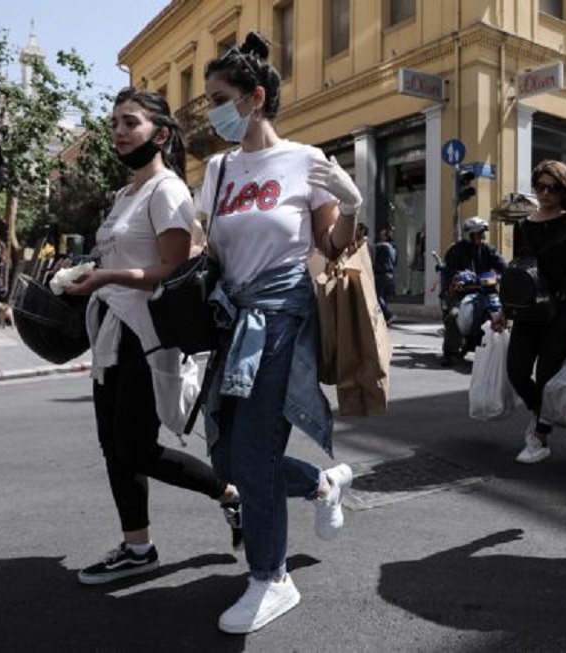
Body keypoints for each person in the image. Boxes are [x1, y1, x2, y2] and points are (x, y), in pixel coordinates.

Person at [198, 32, 360, 634]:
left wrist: (353, 203)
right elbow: (205, 249)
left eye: (219, 97)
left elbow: (333, 245)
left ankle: (272, 577)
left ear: (254, 97)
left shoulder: (303, 160)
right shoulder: (216, 170)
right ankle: (321, 484)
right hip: (230, 318)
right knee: (225, 455)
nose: (211, 109)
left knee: (252, 453)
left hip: (282, 313)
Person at [64, 87, 240, 585]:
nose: (118, 132)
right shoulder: (126, 194)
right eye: (115, 122)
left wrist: (106, 278)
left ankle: (230, 493)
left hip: (147, 336)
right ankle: (138, 547)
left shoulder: (167, 190)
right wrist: (86, 272)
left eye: (130, 123)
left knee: (136, 448)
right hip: (112, 334)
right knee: (111, 446)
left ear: (160, 134)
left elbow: (173, 267)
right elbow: (120, 257)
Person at [495, 160, 566, 464]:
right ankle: (542, 411)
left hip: (564, 311)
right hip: (529, 310)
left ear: (563, 189)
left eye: (552, 188)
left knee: (547, 376)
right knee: (516, 369)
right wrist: (505, 311)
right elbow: (518, 273)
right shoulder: (524, 225)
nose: (544, 193)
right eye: (539, 186)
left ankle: (540, 438)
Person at [441, 216, 507, 365]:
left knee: (501, 311)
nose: (481, 237)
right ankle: (449, 352)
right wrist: (456, 280)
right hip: (461, 293)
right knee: (454, 315)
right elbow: (448, 272)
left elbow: (502, 265)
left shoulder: (488, 249)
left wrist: (503, 274)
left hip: (486, 290)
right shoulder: (455, 250)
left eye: (482, 233)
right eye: (478, 234)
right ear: (468, 234)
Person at [374, 224, 397, 324]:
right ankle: (384, 316)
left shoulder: (380, 246)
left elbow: (374, 259)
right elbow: (395, 261)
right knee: (383, 297)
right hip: (390, 274)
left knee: (378, 296)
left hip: (381, 273)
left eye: (382, 234)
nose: (380, 236)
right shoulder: (393, 247)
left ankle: (388, 314)